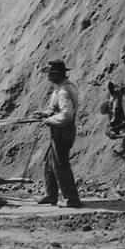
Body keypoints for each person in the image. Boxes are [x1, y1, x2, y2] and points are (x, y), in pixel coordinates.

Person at [34, 60, 83, 208]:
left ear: (57, 75)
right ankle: (51, 195)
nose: (48, 77)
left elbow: (66, 115)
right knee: (49, 162)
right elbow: (56, 109)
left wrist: (48, 121)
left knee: (60, 165)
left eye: (49, 74)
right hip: (60, 132)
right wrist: (45, 114)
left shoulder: (63, 92)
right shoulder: (62, 88)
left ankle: (73, 199)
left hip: (63, 132)